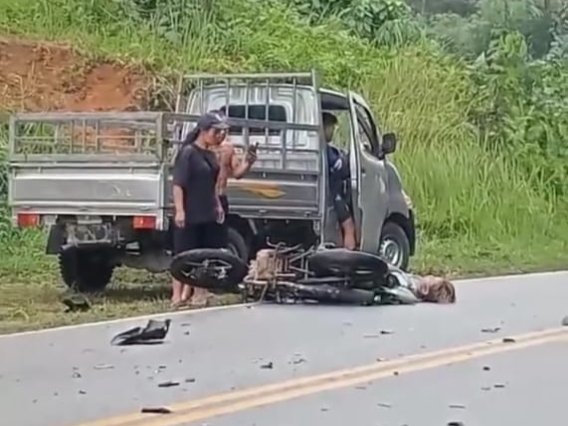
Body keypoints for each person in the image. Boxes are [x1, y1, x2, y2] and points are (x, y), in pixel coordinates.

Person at [171, 111, 229, 308]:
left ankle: (199, 293)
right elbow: (178, 184)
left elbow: (212, 184)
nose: (220, 136)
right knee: (184, 254)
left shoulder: (211, 155)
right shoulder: (188, 153)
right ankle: (177, 296)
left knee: (204, 253)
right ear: (203, 131)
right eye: (216, 132)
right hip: (190, 211)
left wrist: (217, 204)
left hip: (207, 210)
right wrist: (180, 210)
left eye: (223, 132)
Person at [322, 112, 357, 250]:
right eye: (331, 127)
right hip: (332, 195)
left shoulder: (321, 147)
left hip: (328, 193)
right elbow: (340, 166)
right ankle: (349, 254)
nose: (333, 132)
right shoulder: (325, 150)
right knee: (348, 225)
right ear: (324, 128)